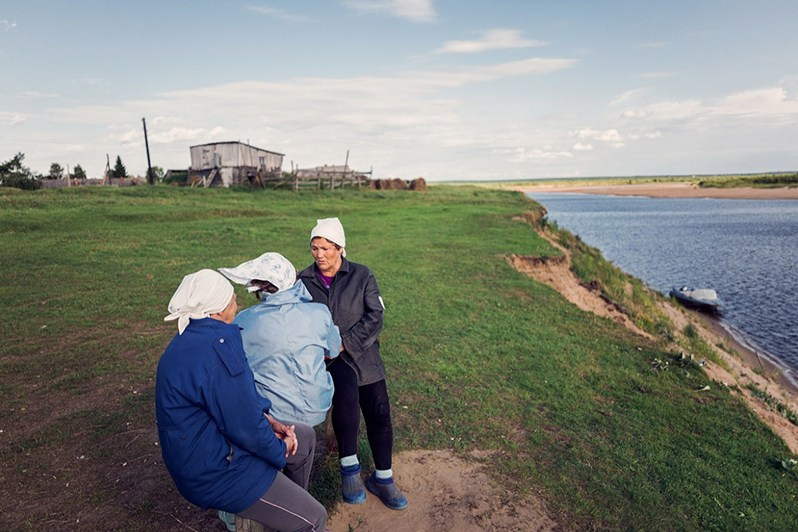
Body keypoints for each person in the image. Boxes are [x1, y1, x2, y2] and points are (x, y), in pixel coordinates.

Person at [155, 269, 327, 531]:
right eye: (231, 298)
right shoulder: (218, 347)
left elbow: (236, 403)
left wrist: (270, 421)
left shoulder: (190, 338)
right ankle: (291, 515)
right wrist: (278, 449)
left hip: (209, 453)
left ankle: (286, 510)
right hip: (217, 471)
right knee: (315, 519)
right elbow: (245, 426)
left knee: (303, 438)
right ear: (217, 310)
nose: (236, 302)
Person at [297, 217, 408, 510]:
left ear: (340, 248)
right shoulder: (303, 280)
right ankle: (350, 471)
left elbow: (375, 317)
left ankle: (383, 478)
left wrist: (345, 342)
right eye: (314, 248)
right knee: (346, 400)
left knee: (379, 410)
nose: (319, 255)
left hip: (363, 353)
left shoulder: (362, 275)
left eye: (325, 248)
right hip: (327, 359)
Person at [219, 252, 341, 427]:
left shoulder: (244, 320)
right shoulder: (320, 312)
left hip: (275, 412)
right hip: (318, 406)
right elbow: (333, 350)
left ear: (260, 287)